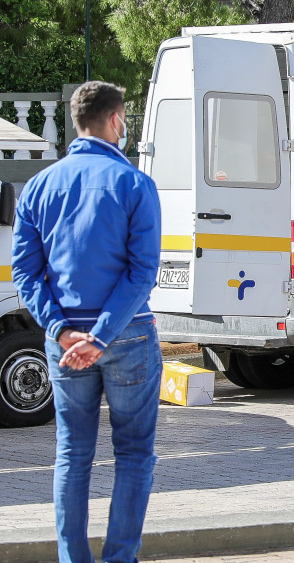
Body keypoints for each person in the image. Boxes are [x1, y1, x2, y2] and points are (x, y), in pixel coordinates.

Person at [12, 81, 163, 563]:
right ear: (116, 121)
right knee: (134, 453)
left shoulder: (37, 186)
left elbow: (26, 273)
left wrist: (59, 330)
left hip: (65, 342)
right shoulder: (135, 184)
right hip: (128, 334)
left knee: (72, 455)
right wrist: (100, 335)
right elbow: (142, 272)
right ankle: (120, 558)